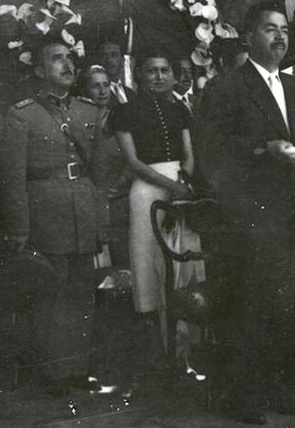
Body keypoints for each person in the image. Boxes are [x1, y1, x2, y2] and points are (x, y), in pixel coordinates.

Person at [200, 2, 295, 424]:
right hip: (248, 215)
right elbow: (212, 152)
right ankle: (241, 394)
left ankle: (276, 385)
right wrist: (260, 150)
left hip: (292, 211)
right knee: (247, 304)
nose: (280, 37)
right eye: (269, 29)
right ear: (248, 37)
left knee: (285, 302)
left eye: (285, 30)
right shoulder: (226, 87)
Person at [1, 40, 105, 394]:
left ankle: (78, 367)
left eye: (70, 58)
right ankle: (54, 372)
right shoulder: (22, 114)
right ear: (39, 70)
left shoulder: (89, 111)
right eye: (56, 59)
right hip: (46, 212)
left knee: (82, 291)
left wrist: (101, 221)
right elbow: (13, 177)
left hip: (84, 209)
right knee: (51, 293)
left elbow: (100, 172)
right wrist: (19, 227)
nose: (66, 64)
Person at [107, 51, 201, 365]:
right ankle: (158, 352)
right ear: (138, 75)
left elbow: (189, 152)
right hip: (147, 189)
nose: (159, 76)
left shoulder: (180, 110)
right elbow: (132, 161)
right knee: (149, 263)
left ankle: (186, 346)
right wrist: (171, 185)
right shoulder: (124, 112)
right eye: (151, 71)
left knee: (184, 259)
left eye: (164, 70)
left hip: (181, 185)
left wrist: (183, 181)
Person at [81, 64, 133, 268]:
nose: (102, 91)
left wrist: (121, 181)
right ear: (86, 90)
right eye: (95, 86)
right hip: (90, 199)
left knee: (122, 261)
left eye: (105, 85)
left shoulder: (120, 117)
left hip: (118, 199)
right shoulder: (79, 120)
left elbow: (133, 156)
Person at [98, 41, 135, 107]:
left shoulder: (131, 94)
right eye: (104, 56)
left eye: (114, 55)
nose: (109, 59)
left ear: (122, 60)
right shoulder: (98, 93)